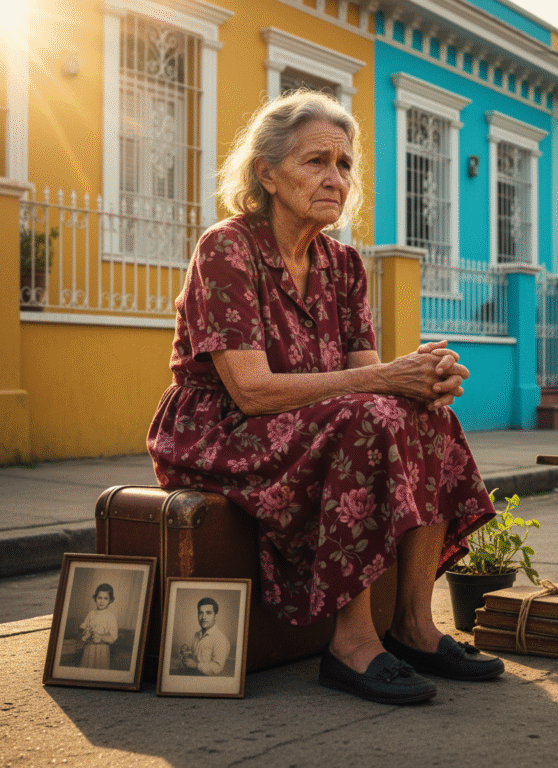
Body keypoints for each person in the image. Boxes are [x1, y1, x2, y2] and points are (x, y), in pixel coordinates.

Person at [147, 89, 504, 705]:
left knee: (424, 417)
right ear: (267, 173)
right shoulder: (227, 248)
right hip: (221, 431)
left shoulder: (342, 264)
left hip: (312, 420)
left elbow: (372, 375)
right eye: (316, 161)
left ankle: (416, 626)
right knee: (368, 418)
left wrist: (423, 379)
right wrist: (387, 379)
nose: (335, 178)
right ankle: (353, 642)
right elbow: (252, 392)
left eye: (344, 165)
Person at [179, 597, 232, 676]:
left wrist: (196, 665)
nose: (203, 617)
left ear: (215, 616)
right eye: (200, 613)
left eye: (208, 613)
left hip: (208, 682)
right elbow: (197, 656)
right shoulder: (197, 635)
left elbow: (217, 667)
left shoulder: (220, 639)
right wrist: (187, 651)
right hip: (192, 676)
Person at [79, 583, 118, 669]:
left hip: (102, 650)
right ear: (95, 598)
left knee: (100, 668)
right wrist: (86, 632)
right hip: (89, 648)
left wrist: (100, 636)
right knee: (87, 666)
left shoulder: (111, 617)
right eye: (99, 598)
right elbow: (83, 627)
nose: (102, 601)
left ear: (110, 600)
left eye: (105, 598)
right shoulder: (91, 614)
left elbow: (113, 637)